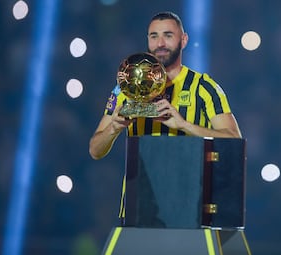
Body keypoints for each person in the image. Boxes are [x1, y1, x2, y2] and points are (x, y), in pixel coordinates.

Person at [89, 11, 242, 161]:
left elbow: (234, 142)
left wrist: (184, 126)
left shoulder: (203, 87)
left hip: (191, 184)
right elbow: (95, 151)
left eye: (168, 36)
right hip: (139, 185)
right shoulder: (126, 87)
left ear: (184, 40)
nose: (160, 43)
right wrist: (113, 129)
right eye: (154, 36)